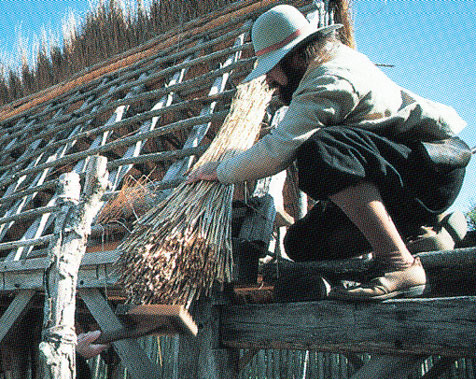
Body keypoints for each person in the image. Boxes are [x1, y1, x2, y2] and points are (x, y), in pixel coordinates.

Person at [188, 4, 470, 301]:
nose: (268, 80)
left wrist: (218, 171)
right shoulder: (325, 65)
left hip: (429, 172)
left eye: (271, 68)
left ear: (297, 57)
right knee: (301, 244)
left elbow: (277, 151)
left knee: (318, 150)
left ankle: (399, 263)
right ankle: (421, 237)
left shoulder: (328, 78)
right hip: (398, 179)